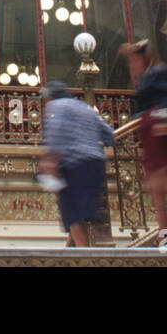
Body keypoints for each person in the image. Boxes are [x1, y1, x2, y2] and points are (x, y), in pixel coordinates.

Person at [122, 38, 167, 242]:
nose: (131, 65)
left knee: (160, 178)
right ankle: (165, 233)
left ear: (143, 57)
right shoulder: (147, 76)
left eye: (133, 59)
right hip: (151, 134)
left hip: (160, 131)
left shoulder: (158, 72)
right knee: (156, 185)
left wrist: (166, 121)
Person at [38, 80, 115, 247]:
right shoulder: (85, 107)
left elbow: (55, 131)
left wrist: (50, 160)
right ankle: (95, 248)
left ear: (50, 97)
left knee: (72, 213)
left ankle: (84, 254)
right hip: (94, 163)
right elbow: (109, 134)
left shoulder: (55, 106)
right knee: (90, 211)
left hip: (72, 164)